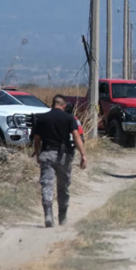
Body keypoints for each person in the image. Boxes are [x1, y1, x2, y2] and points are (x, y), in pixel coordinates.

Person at [32, 95, 87, 227]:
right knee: (63, 186)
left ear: (52, 104)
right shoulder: (69, 118)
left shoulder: (42, 118)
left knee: (47, 185)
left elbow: (37, 139)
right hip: (64, 156)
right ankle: (62, 217)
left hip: (47, 154)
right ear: (64, 106)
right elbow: (76, 136)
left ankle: (48, 215)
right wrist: (83, 154)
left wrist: (38, 153)